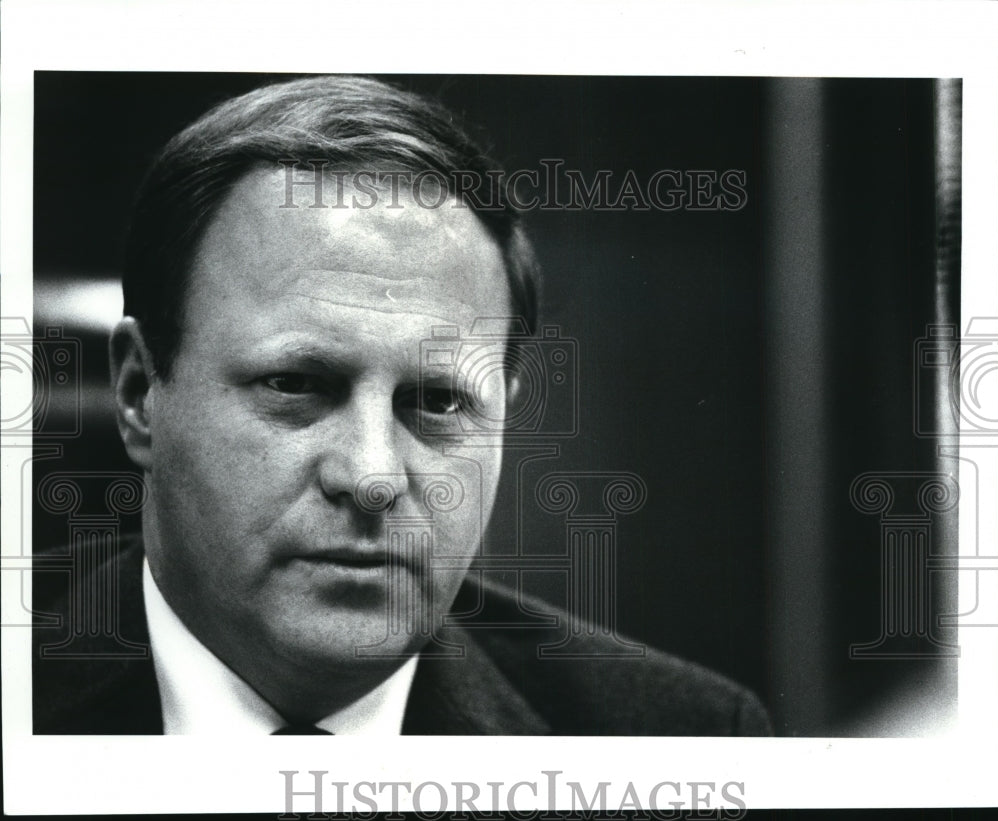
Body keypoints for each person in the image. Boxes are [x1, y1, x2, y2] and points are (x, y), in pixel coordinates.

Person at [33, 75, 770, 735]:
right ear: (138, 394)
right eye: (297, 384)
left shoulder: (677, 737)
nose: (373, 476)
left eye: (438, 400)